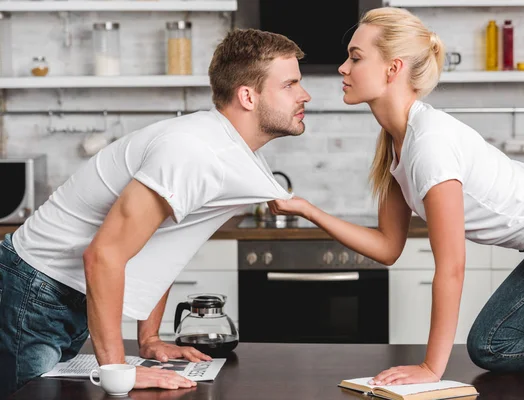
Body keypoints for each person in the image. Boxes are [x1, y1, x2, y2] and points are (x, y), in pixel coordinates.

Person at [269, 6, 524, 385]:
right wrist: (308, 210)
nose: (343, 68)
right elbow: (387, 247)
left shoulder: (429, 144)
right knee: (492, 345)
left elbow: (452, 266)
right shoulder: (398, 142)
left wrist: (431, 368)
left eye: (355, 58)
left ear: (393, 69)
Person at [0, 28, 310, 397]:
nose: (304, 95)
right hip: (34, 289)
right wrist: (117, 371)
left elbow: (160, 241)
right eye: (290, 84)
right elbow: (103, 255)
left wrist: (149, 339)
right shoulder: (193, 151)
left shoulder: (223, 149)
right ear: (247, 95)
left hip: (61, 295)